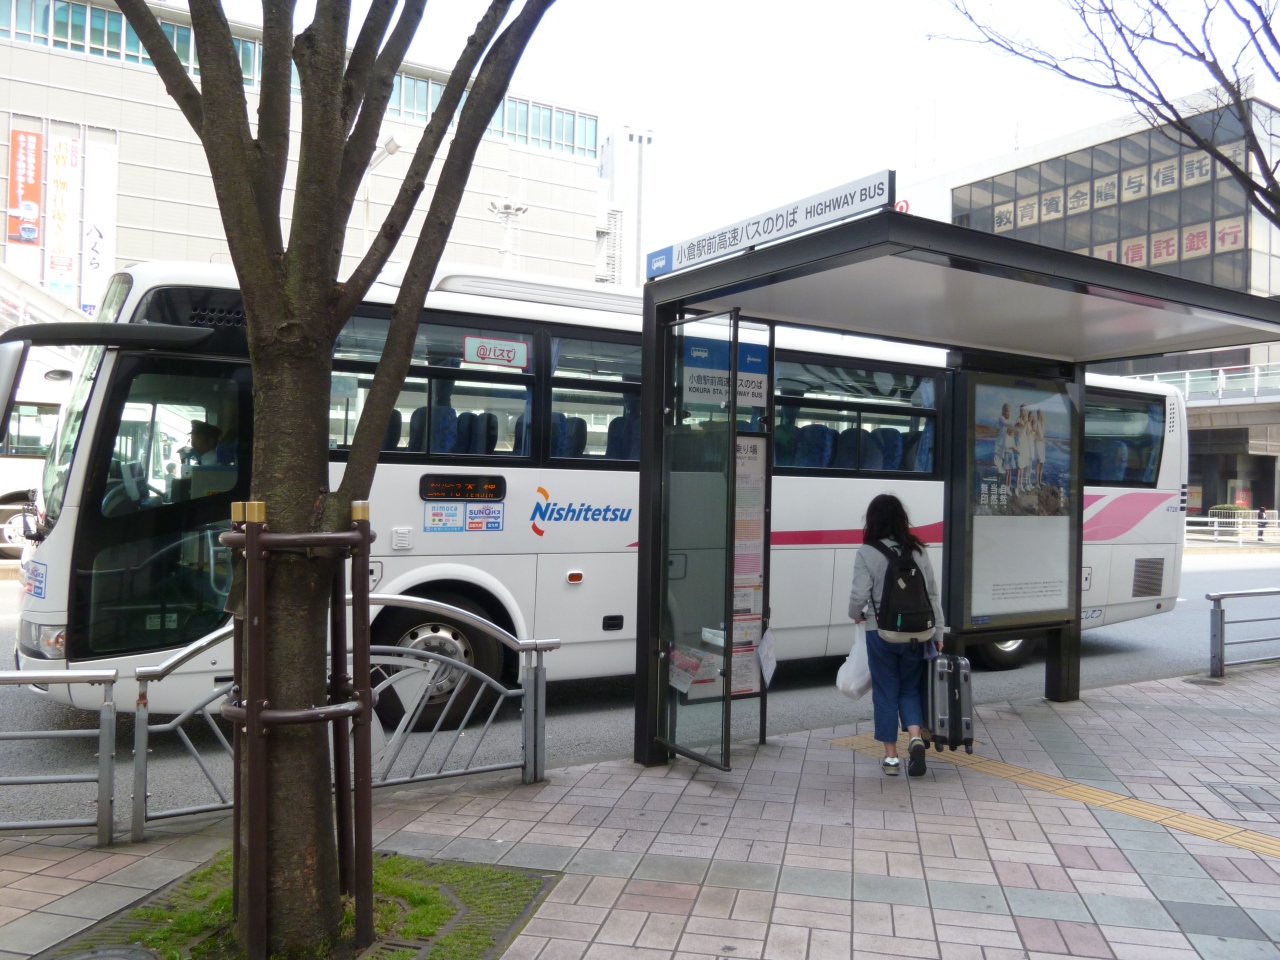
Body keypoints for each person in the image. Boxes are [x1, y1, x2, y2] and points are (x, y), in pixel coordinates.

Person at [848, 493, 945, 777]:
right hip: (918, 633)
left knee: (885, 692)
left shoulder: (867, 552)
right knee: (909, 689)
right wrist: (938, 632)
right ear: (902, 519)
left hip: (882, 633)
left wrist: (855, 614)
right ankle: (915, 738)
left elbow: (858, 595)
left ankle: (891, 758)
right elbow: (932, 595)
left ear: (872, 520)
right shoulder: (917, 550)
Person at [1035, 409, 1048, 486]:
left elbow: (1042, 436)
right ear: (1037, 414)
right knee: (1038, 462)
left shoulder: (1042, 423)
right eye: (1038, 413)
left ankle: (1040, 481)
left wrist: (1045, 441)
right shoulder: (1036, 422)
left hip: (1042, 444)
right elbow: (1034, 434)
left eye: (1041, 413)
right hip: (1038, 444)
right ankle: (1037, 482)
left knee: (1042, 463)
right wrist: (1038, 439)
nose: (1040, 414)